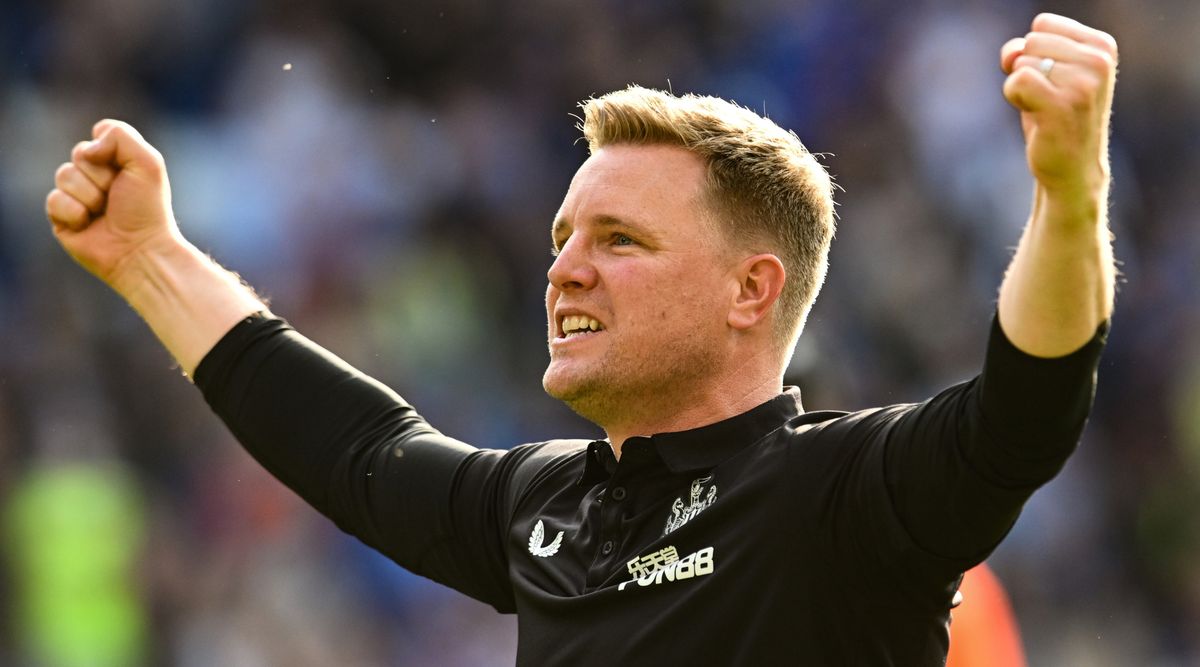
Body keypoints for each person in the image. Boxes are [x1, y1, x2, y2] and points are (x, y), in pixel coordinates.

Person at [44, 12, 1116, 665]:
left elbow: (1022, 413)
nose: (564, 267)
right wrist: (150, 258)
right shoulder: (546, 509)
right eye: (563, 236)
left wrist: (1069, 198)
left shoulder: (845, 493)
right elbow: (359, 453)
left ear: (751, 290)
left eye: (619, 238)